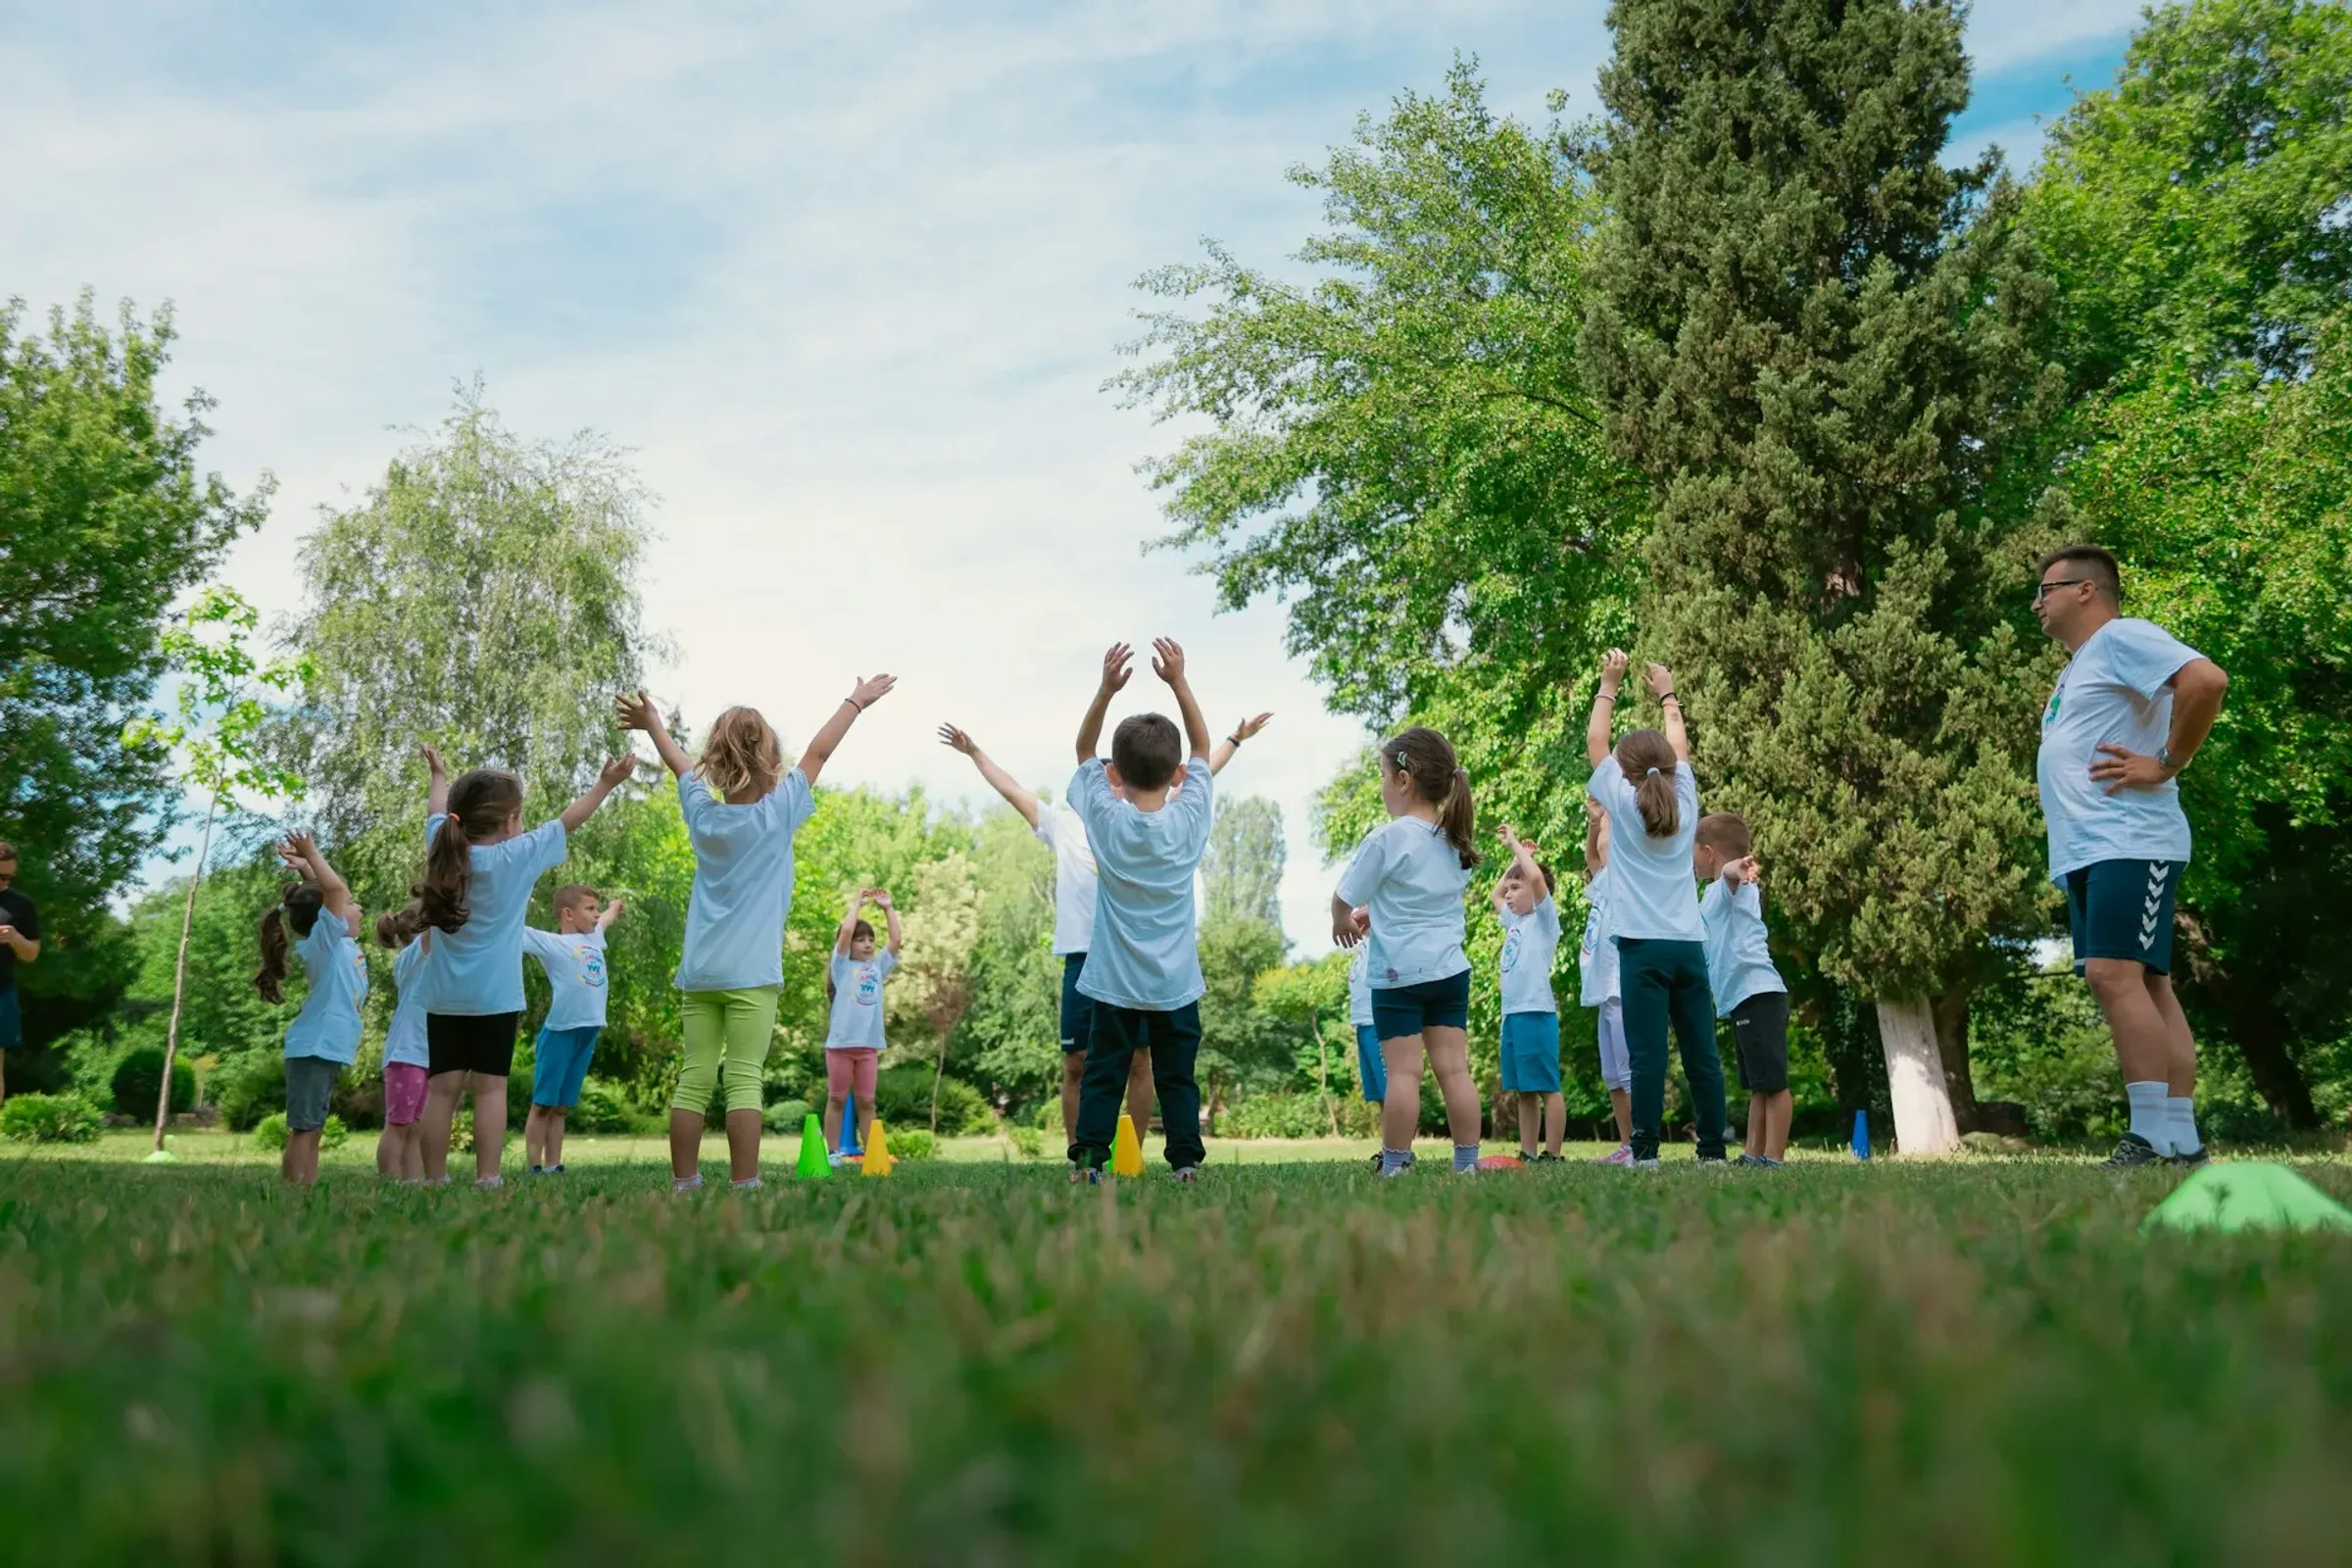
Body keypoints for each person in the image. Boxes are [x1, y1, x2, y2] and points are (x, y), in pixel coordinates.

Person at [937, 710, 1270, 1149]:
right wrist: (975, 752)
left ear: (1118, 771)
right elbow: (1012, 789)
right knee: (1080, 1063)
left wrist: (1236, 739)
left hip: (1135, 960)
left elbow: (1191, 772)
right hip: (1087, 957)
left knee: (1139, 1061)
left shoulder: (1145, 817)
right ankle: (1084, 1152)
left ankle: (1129, 1151)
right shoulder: (1069, 820)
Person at [619, 675, 894, 1192]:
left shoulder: (703, 817)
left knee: (695, 1076)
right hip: (752, 975)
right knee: (744, 1075)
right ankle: (745, 1182)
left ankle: (685, 1182)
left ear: (718, 765)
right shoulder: (777, 813)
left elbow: (681, 765)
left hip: (700, 971)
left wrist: (653, 724)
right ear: (771, 764)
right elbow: (820, 751)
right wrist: (856, 701)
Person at [2033, 544, 2230, 1168]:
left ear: (2087, 591)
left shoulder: (2123, 637)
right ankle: (2180, 1140)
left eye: (2048, 589)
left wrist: (2168, 762)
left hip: (2129, 839)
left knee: (2112, 976)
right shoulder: (2083, 663)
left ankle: (2148, 1137)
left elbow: (2207, 680)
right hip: (2093, 847)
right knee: (2145, 982)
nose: (2038, 603)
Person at [389, 745, 635, 1189]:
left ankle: (434, 1178)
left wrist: (438, 774)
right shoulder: (517, 856)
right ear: (511, 820)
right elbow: (569, 820)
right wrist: (606, 783)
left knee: (441, 1091)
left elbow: (435, 809)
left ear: (456, 817)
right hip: (496, 997)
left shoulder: (442, 848)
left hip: (442, 996)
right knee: (490, 1089)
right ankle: (488, 1177)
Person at [1065, 639, 1217, 1182]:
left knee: (1103, 1073)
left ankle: (1088, 1163)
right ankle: (1185, 1166)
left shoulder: (1106, 818)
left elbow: (1084, 751)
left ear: (1117, 775)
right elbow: (1202, 746)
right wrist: (1179, 681)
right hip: (1175, 982)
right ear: (1175, 774)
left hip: (1114, 983)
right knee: (1178, 1077)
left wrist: (1106, 690)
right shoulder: (1189, 817)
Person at [1585, 650, 1727, 1169]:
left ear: (1624, 772)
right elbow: (1681, 747)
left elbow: (1595, 742)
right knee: (1702, 1057)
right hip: (1689, 947)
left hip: (1641, 949)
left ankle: (1643, 1154)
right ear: (1668, 768)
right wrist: (1667, 693)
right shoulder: (1686, 804)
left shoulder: (1622, 807)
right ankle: (1711, 1153)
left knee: (1646, 1058)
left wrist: (1609, 682)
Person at [1334, 726, 1483, 1178]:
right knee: (1454, 1071)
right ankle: (1467, 1164)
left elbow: (1343, 896)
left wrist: (1342, 919)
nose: (1381, 787)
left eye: (1382, 776)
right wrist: (1374, 913)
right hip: (1449, 972)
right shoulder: (1455, 841)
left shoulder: (1388, 838)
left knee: (1403, 1075)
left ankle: (1395, 1165)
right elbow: (1421, 899)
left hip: (1399, 975)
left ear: (1404, 780)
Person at [253, 833, 367, 1186]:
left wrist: (305, 869)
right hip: (314, 1045)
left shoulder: (334, 941)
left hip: (325, 1047)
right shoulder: (325, 943)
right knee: (304, 1128)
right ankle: (292, 1191)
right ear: (330, 917)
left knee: (314, 1126)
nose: (357, 907)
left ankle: (308, 1188)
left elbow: (324, 896)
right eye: (352, 905)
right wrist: (313, 853)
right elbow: (332, 893)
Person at [1694, 814, 1788, 1167]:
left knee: (1774, 1083)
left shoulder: (1732, 886)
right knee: (1758, 1084)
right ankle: (1752, 1153)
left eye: (1694, 853)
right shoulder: (1710, 895)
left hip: (1759, 993)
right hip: (1741, 999)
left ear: (1708, 852)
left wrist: (1737, 866)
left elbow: (1731, 872)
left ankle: (1774, 1157)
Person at [521, 886, 625, 1175]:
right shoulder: (551, 943)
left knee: (562, 1106)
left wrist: (614, 908)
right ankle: (534, 1167)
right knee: (543, 1103)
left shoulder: (594, 936)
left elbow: (604, 920)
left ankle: (554, 1165)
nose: (595, 914)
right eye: (589, 909)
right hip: (560, 1032)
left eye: (596, 908)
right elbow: (512, 928)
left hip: (588, 1030)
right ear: (568, 914)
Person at [1493, 825, 1564, 1162]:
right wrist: (1515, 865)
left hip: (1536, 1012)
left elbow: (1536, 882)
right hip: (1512, 1016)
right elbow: (1495, 895)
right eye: (1509, 887)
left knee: (1547, 1086)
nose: (1507, 894)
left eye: (1515, 888)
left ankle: (1552, 1152)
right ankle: (1529, 1152)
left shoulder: (1543, 920)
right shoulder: (1514, 922)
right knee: (1524, 1090)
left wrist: (1516, 849)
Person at [822, 887, 901, 1158]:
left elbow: (895, 941)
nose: (867, 944)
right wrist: (857, 904)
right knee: (836, 1099)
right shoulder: (841, 965)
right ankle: (831, 1152)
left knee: (867, 1102)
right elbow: (844, 933)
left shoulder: (877, 967)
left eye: (870, 939)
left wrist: (888, 908)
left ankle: (874, 1154)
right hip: (841, 1046)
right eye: (860, 939)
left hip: (868, 1048)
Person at [1579, 801, 1634, 1164]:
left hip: (1621, 985)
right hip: (1603, 991)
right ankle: (1628, 1144)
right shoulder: (1603, 879)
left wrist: (1611, 817)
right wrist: (1595, 821)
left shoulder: (1628, 878)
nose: (1600, 838)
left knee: (1629, 1073)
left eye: (1605, 833)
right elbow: (1591, 858)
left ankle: (1643, 1145)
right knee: (1612, 1076)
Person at [374, 916, 430, 1182]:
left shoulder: (424, 959)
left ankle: (413, 1183)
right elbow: (438, 929)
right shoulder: (410, 957)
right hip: (406, 1054)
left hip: (424, 1053)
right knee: (398, 1124)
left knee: (415, 1127)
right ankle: (389, 1183)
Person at [0, 841, 40, 1103]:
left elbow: (32, 953)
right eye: (0, 875)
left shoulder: (21, 905)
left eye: (9, 876)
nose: (4, 882)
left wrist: (15, 938)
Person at [1346, 920, 1387, 1164]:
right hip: (1362, 1024)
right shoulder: (1362, 949)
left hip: (1378, 1023)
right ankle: (1388, 1146)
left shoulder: (1383, 942)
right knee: (1381, 1095)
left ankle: (1402, 1149)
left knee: (1391, 1090)